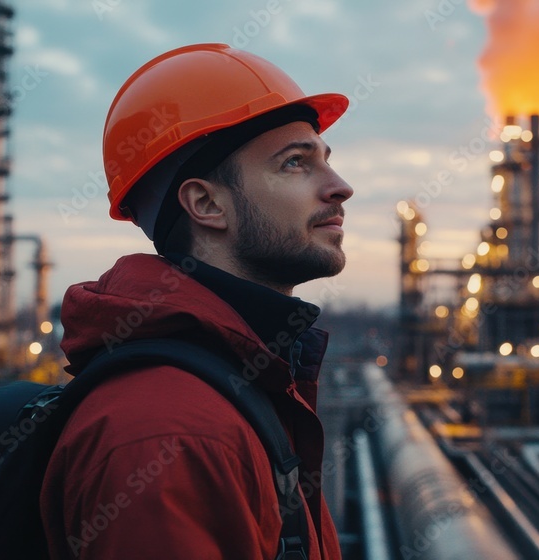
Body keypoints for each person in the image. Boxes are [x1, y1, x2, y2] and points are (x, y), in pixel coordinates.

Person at [39, 43, 352, 559]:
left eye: (326, 160)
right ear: (206, 203)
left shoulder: (245, 379)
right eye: (295, 163)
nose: (341, 188)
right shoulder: (167, 434)